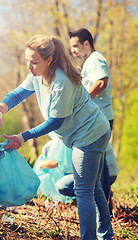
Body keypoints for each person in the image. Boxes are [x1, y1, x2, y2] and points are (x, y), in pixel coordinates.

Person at [0, 35, 113, 239]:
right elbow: (17, 94)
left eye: (34, 62)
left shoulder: (61, 81)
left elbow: (55, 122)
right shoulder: (38, 74)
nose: (29, 67)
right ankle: (106, 235)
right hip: (93, 130)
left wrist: (22, 137)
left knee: (83, 190)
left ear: (49, 61)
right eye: (27, 60)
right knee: (94, 187)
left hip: (90, 134)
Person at [70, 28, 115, 204]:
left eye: (76, 45)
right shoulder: (89, 61)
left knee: (99, 165)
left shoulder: (96, 59)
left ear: (86, 43)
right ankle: (105, 207)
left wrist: (83, 99)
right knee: (99, 164)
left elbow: (101, 82)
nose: (73, 50)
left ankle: (105, 209)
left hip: (102, 117)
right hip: (97, 118)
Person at [55, 142, 119, 198]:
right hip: (111, 173)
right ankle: (101, 194)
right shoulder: (96, 132)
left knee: (62, 186)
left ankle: (90, 197)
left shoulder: (85, 137)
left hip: (102, 175)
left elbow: (68, 165)